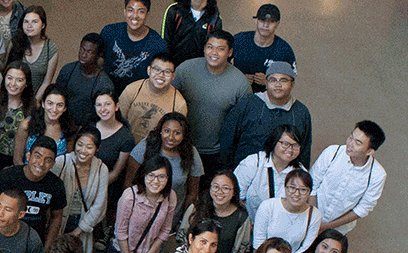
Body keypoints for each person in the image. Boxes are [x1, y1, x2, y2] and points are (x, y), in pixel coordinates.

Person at [98, 157, 176, 253]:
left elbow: (165, 231)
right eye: (151, 175)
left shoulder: (170, 197)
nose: (156, 181)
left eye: (161, 177)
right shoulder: (130, 196)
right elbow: (120, 231)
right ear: (143, 176)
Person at [173, 30, 251, 178]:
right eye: (210, 47)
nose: (214, 52)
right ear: (204, 48)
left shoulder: (240, 83)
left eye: (220, 49)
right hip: (182, 147)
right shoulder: (185, 70)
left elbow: (243, 125)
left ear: (229, 52)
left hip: (217, 154)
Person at [218, 61, 313, 168]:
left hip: (284, 177)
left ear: (292, 84)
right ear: (266, 83)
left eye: (284, 80)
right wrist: (227, 173)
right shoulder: (247, 105)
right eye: (272, 80)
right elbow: (227, 140)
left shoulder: (301, 112)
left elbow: (304, 151)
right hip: (245, 174)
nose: (278, 85)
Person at [0, 136, 66, 248]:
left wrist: (47, 246)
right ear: (28, 156)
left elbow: (57, 216)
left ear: (53, 164)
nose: (41, 163)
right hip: (3, 238)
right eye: (37, 156)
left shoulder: (56, 184)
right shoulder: (7, 177)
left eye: (48, 160)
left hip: (33, 243)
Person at [309, 121, 387, 234]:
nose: (350, 143)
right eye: (351, 137)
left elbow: (363, 209)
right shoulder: (332, 152)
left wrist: (328, 226)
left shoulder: (377, 175)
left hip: (337, 230)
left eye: (358, 142)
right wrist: (314, 218)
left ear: (369, 151)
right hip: (310, 216)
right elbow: (312, 184)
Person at [176, 170, 251, 253]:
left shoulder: (241, 217)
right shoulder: (195, 208)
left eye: (226, 188)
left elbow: (241, 250)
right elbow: (182, 238)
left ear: (234, 191)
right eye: (216, 187)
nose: (220, 192)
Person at [125, 112, 202, 219]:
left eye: (177, 133)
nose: (170, 137)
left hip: (171, 218)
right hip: (140, 215)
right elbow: (128, 182)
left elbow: (192, 193)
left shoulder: (191, 153)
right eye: (167, 131)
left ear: (184, 135)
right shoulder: (146, 146)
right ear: (160, 130)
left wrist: (183, 221)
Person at [52, 126, 109, 253]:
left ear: (97, 149)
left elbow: (99, 205)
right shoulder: (61, 162)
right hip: (57, 221)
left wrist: (78, 231)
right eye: (80, 145)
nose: (83, 151)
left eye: (89, 147)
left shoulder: (102, 169)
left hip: (83, 224)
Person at [100, 0, 168, 95]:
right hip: (106, 96)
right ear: (124, 11)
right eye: (130, 10)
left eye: (141, 11)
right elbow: (97, 62)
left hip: (138, 99)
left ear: (147, 14)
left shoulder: (158, 44)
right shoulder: (109, 32)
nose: (135, 16)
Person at [233, 124, 304, 221]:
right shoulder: (254, 163)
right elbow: (234, 196)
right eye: (285, 144)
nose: (290, 149)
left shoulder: (301, 173)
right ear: (274, 142)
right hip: (249, 224)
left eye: (295, 145)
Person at [117, 54, 187, 143]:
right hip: (127, 146)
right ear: (149, 70)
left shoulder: (178, 103)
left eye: (167, 72)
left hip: (155, 150)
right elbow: (117, 121)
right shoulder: (132, 90)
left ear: (173, 76)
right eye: (157, 70)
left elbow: (176, 136)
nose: (161, 75)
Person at [253, 168, 321, 253]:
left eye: (303, 190)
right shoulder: (267, 206)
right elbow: (258, 242)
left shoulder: (314, 214)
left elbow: (306, 247)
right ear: (285, 188)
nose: (297, 194)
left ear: (309, 192)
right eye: (292, 188)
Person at [232, 4, 296, 93]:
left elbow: (290, 80)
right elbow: (220, 65)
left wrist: (270, 82)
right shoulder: (239, 40)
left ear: (277, 24)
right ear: (256, 21)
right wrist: (237, 78)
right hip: (236, 95)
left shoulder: (284, 50)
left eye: (271, 21)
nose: (266, 25)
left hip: (268, 101)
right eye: (262, 20)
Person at [162, 0, 222, 65]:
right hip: (174, 66)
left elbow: (214, 47)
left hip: (199, 67)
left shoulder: (214, 18)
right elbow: (166, 41)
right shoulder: (175, 10)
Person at [93, 91, 135, 222]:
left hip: (106, 187)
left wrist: (94, 187)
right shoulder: (89, 127)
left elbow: (116, 172)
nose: (103, 109)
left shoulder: (125, 137)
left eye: (107, 104)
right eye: (99, 105)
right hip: (82, 180)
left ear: (116, 106)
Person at [56, 34, 113, 129]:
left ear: (99, 55)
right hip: (61, 122)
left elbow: (100, 116)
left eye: (90, 52)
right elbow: (56, 96)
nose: (83, 55)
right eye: (82, 49)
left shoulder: (104, 84)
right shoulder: (68, 70)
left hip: (86, 129)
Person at [13, 84, 74, 165]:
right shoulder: (27, 125)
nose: (54, 109)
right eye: (50, 103)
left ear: (65, 108)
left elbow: (67, 163)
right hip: (27, 175)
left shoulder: (68, 129)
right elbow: (17, 160)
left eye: (59, 105)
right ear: (43, 103)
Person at [0, 62, 35, 168]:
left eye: (19, 80)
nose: (13, 84)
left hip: (16, 161)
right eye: (9, 78)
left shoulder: (32, 104)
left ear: (26, 83)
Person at [8, 6, 59, 99]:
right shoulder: (14, 42)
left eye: (34, 22)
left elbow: (46, 82)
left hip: (35, 100)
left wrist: (34, 103)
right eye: (26, 21)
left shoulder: (50, 48)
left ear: (43, 25)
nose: (29, 25)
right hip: (11, 98)